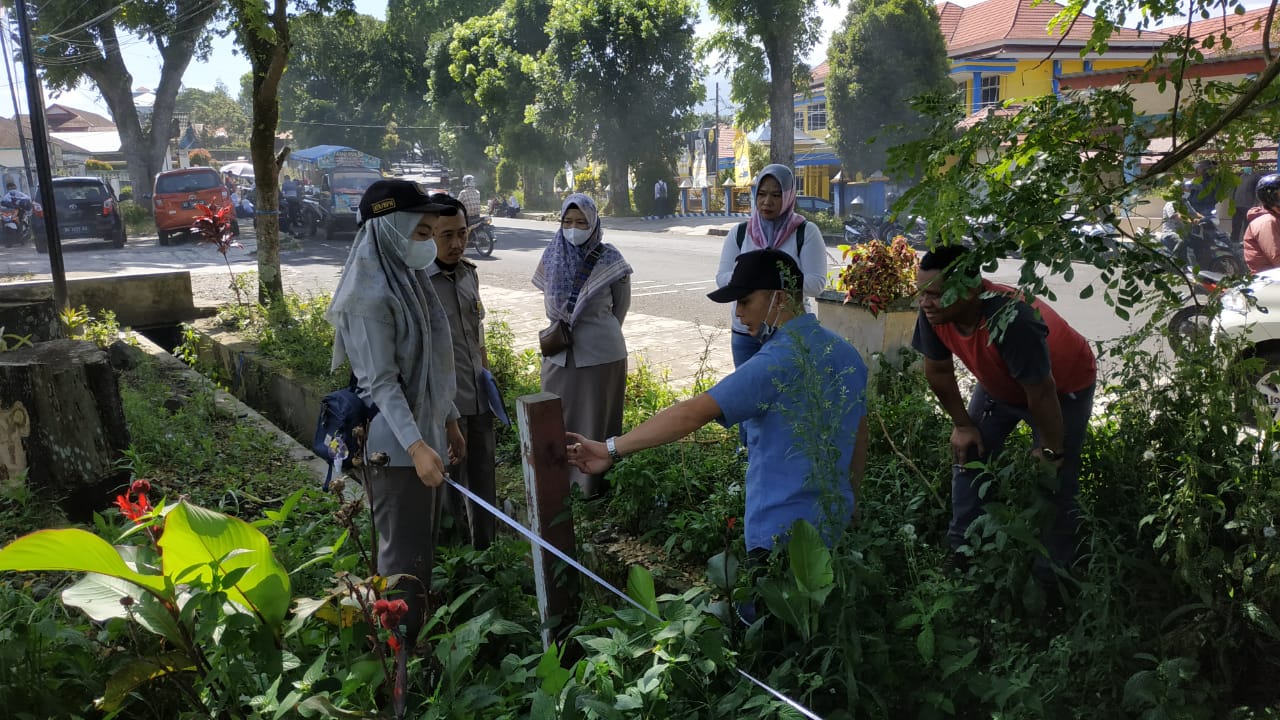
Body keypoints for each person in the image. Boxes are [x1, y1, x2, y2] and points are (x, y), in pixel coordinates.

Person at [566, 249, 869, 555]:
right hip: (834, 526)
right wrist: (852, 501)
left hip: (781, 537)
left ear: (779, 298)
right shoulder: (846, 354)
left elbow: (691, 414)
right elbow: (859, 435)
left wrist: (610, 449)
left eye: (745, 301)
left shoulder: (775, 362)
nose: (738, 313)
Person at [324, 179, 466, 647]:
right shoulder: (368, 298)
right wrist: (417, 445)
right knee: (402, 561)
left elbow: (431, 368)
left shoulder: (410, 281)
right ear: (390, 229)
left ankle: (415, 646)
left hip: (425, 441)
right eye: (420, 232)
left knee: (421, 553)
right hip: (398, 447)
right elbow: (381, 383)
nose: (427, 243)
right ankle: (396, 658)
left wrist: (448, 421)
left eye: (430, 232)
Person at [912, 245, 1096, 577]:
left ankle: (1053, 573)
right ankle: (962, 552)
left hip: (1063, 387)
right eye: (921, 293)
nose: (925, 303)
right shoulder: (935, 313)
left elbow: (1041, 392)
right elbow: (937, 371)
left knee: (1055, 477)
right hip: (1002, 383)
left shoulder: (1012, 319)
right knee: (968, 454)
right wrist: (963, 425)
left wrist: (1050, 449)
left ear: (970, 289)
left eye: (935, 294)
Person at [533, 193, 633, 498]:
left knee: (595, 420)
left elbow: (620, 309)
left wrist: (595, 333)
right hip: (558, 353)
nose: (573, 228)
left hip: (601, 355)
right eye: (567, 221)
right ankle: (556, 481)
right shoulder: (551, 255)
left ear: (593, 224)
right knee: (554, 416)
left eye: (581, 222)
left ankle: (591, 488)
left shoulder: (610, 258)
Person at [425, 192, 497, 550]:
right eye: (446, 236)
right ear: (428, 235)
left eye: (463, 233)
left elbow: (477, 333)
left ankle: (489, 555)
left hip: (478, 398)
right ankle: (457, 562)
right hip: (442, 406)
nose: (457, 244)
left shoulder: (469, 275)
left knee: (485, 483)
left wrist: (488, 378)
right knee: (448, 488)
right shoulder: (418, 283)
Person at [716, 164, 828, 369]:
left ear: (788, 196)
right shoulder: (740, 233)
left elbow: (816, 284)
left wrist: (762, 278)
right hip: (745, 333)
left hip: (790, 332)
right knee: (750, 396)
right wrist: (762, 280)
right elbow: (722, 278)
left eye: (776, 195)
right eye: (762, 194)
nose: (767, 202)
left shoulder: (805, 232)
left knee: (788, 395)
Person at [1243, 173, 1280, 273]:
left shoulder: (1275, 217)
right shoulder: (1267, 222)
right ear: (1270, 198)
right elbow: (1276, 257)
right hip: (1268, 282)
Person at [1231, 165, 1261, 244]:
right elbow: (1234, 189)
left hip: (1248, 205)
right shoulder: (1240, 176)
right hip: (1237, 205)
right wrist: (1232, 201)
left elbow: (1258, 189)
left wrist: (1255, 203)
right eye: (1245, 165)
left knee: (1247, 226)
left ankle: (1246, 243)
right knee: (1235, 224)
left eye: (1248, 165)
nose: (1246, 167)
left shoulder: (1256, 177)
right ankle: (1234, 242)